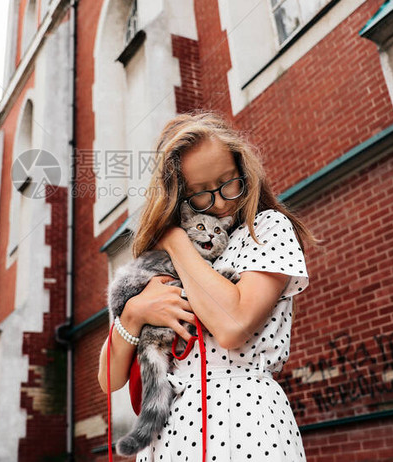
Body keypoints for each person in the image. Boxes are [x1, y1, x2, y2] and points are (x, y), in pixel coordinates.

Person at [97, 110, 316, 461]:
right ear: (179, 198)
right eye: (200, 194)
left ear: (245, 171)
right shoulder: (158, 261)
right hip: (167, 430)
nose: (220, 202)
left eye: (229, 181)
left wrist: (174, 240)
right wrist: (135, 314)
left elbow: (233, 325)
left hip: (242, 419)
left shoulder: (267, 229)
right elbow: (109, 379)